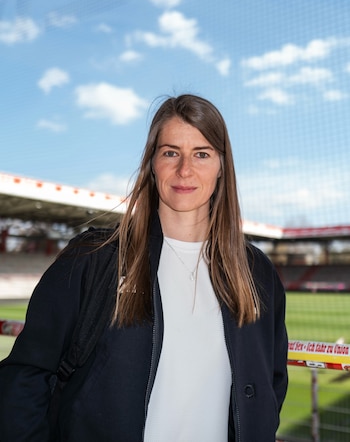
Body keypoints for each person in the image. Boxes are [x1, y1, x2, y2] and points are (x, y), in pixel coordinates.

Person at [0, 94, 288, 441]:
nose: (185, 169)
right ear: (152, 163)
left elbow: (271, 384)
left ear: (222, 165)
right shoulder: (95, 258)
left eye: (202, 153)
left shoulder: (257, 273)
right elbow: (26, 377)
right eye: (170, 152)